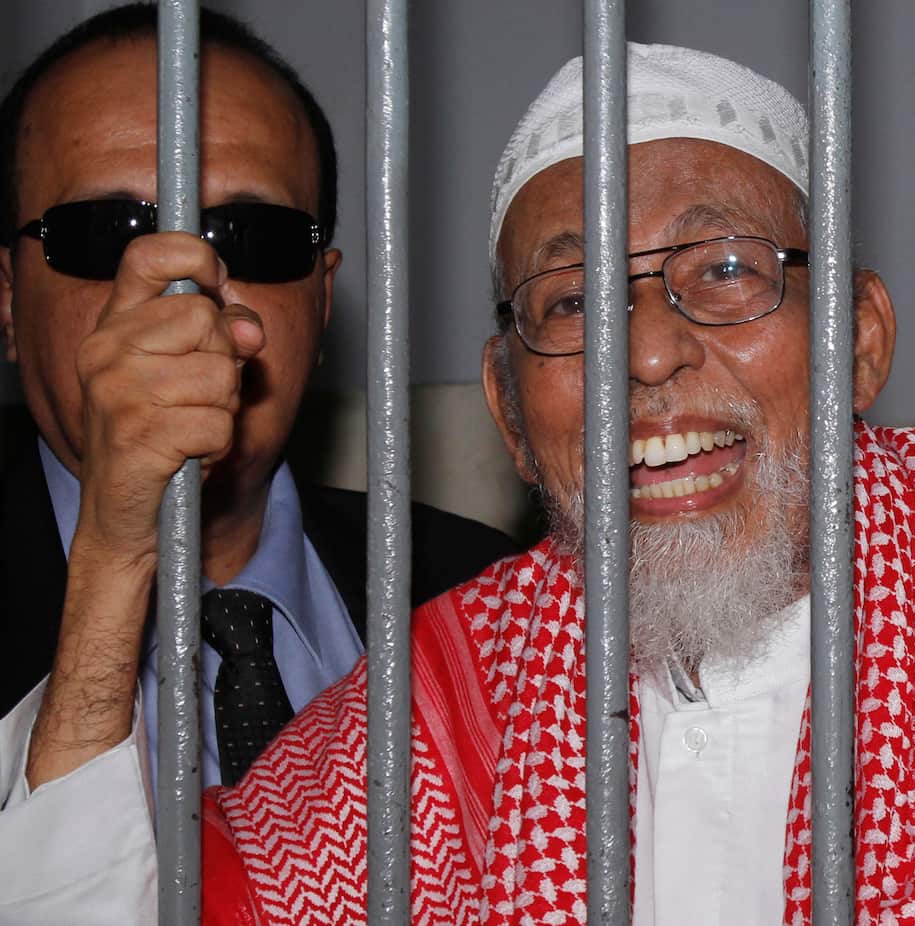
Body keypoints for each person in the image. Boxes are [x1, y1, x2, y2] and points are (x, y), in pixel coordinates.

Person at [88, 42, 915, 925]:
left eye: (726, 269)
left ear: (858, 339)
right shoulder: (429, 711)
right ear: (506, 404)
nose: (644, 353)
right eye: (574, 303)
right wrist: (115, 551)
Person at [0, 5, 512, 920]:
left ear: (322, 303)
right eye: (109, 231)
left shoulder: (485, 597)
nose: (184, 292)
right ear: (6, 299)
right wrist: (116, 557)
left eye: (254, 238)